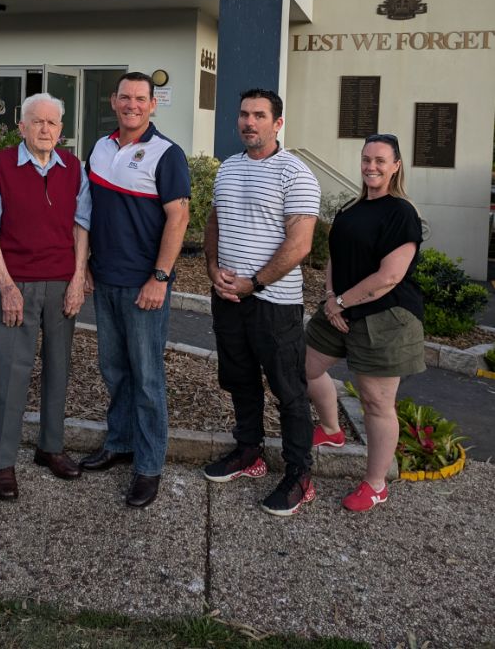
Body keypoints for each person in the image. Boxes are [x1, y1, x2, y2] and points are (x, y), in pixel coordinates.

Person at [0, 93, 91, 501]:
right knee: (10, 372)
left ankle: (50, 447)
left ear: (62, 130)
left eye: (53, 123)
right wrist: (5, 285)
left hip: (60, 284)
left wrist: (76, 280)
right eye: (37, 122)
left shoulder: (74, 168)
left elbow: (81, 227)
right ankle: (2, 462)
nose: (45, 129)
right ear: (21, 126)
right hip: (15, 284)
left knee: (59, 369)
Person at [203, 88, 320, 517]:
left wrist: (254, 282)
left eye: (259, 115)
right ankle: (249, 453)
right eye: (243, 114)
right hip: (229, 299)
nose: (249, 122)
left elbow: (300, 243)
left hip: (275, 305)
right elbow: (215, 220)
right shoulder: (228, 169)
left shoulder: (296, 174)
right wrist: (213, 268)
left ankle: (299, 476)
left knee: (289, 391)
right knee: (240, 380)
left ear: (277, 123)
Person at [81, 72, 190, 509]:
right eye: (124, 97)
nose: (131, 104)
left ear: (152, 104)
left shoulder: (167, 153)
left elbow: (178, 219)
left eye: (140, 98)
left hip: (144, 286)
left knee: (147, 379)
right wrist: (83, 267)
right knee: (115, 370)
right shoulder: (101, 147)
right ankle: (120, 443)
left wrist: (160, 278)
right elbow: (87, 211)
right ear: (114, 101)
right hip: (105, 279)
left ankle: (148, 466)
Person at [305, 133, 425, 512]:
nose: (371, 166)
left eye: (380, 160)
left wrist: (340, 302)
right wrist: (330, 299)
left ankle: (375, 484)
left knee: (376, 403)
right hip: (338, 309)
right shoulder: (350, 210)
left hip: (384, 317)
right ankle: (330, 428)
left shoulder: (400, 212)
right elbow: (334, 259)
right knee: (302, 368)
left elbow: (389, 276)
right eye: (366, 159)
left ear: (396, 166)